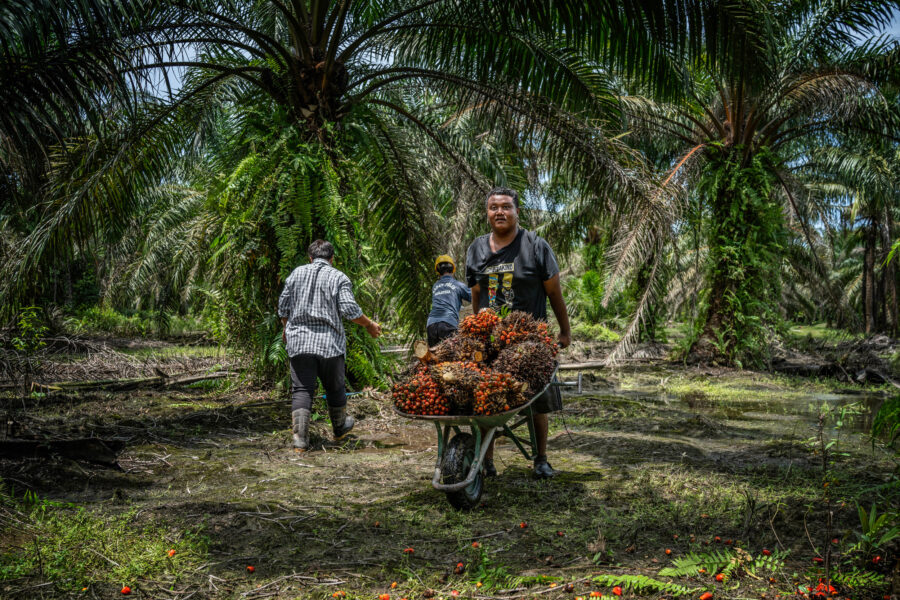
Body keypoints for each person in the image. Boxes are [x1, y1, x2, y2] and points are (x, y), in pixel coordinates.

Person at [465, 187, 571, 478]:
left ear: (517, 211)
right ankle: (485, 461)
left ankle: (540, 459)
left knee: (539, 400)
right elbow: (476, 292)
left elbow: (554, 293)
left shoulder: (535, 245)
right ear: (487, 212)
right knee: (485, 399)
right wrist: (476, 328)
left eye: (506, 207)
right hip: (490, 340)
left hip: (531, 339)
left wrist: (564, 331)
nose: (500, 212)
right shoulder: (476, 248)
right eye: (494, 207)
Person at [278, 239, 382, 452]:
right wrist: (370, 324)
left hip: (299, 343)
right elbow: (350, 310)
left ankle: (300, 441)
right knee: (335, 387)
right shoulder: (338, 277)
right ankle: (339, 428)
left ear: (310, 257)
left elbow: (283, 307)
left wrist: (286, 328)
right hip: (329, 344)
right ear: (332, 259)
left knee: (302, 389)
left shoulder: (296, 274)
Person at [426, 255, 472, 346]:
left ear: (438, 271)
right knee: (451, 357)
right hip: (448, 323)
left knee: (434, 357)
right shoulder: (457, 285)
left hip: (431, 325)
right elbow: (475, 297)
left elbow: (444, 302)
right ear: (453, 269)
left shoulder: (435, 286)